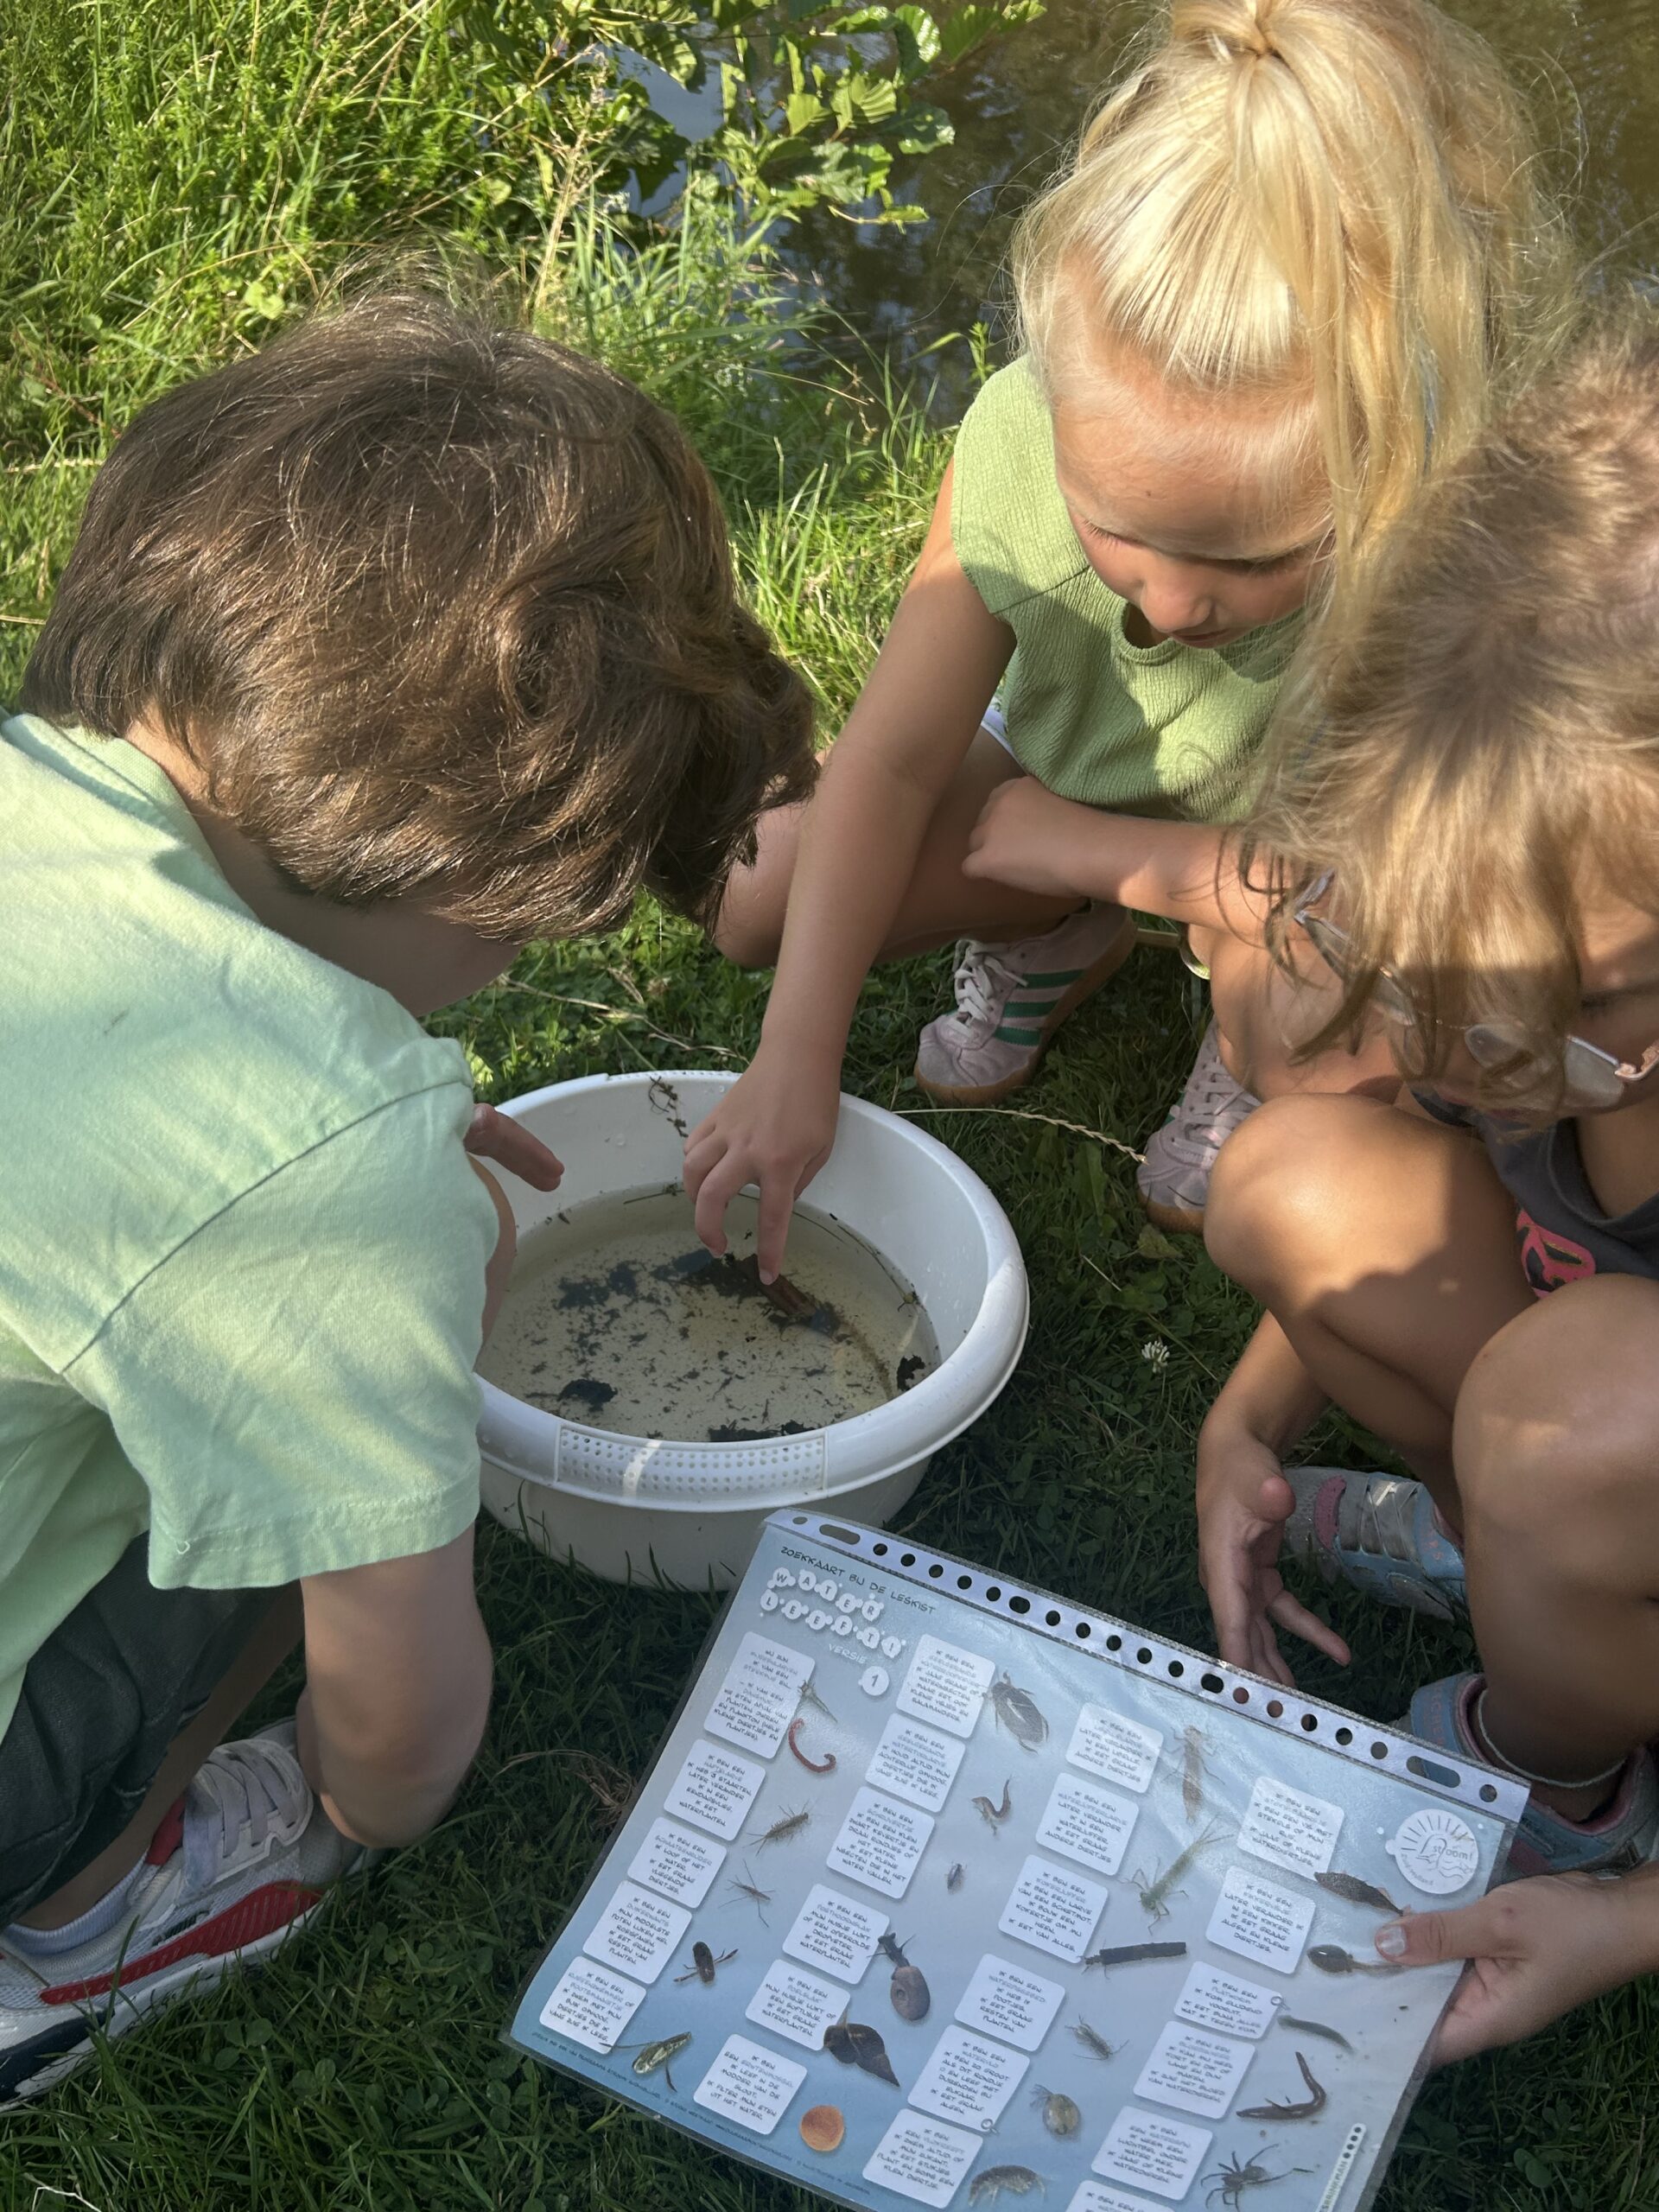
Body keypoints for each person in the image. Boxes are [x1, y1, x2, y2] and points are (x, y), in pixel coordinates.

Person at [0, 285, 815, 2106]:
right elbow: (404, 1724)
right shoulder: (325, 1154)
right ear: (471, 868)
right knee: (351, 1423)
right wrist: (368, 1800)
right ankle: (81, 1909)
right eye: (541, 929)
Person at [685, 0, 1573, 1266]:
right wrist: (796, 1055)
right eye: (1115, 530)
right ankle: (1054, 940)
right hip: (1071, 771)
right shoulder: (1016, 434)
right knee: (758, 896)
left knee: (1308, 1008)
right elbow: (885, 763)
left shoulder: (1443, 531)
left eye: (1251, 558)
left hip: (1301, 862)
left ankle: (1228, 1038)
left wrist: (1084, 848)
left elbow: (1369, 888)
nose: (1168, 606)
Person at [1193, 324, 1659, 2058]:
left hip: (1605, 1411)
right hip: (1599, 1423)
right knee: (1294, 1171)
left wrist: (1624, 1926)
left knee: (1572, 1405)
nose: (1510, 1062)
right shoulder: (1523, 896)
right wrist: (1242, 1421)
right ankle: (1529, 1561)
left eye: (1603, 999)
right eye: (1461, 1001)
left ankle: (1570, 1773)